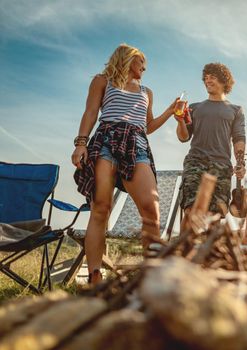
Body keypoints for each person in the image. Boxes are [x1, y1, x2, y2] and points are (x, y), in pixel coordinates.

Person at [71, 44, 178, 285]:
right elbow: (90, 112)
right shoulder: (102, 81)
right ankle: (95, 276)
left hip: (136, 143)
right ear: (129, 59)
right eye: (142, 63)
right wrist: (81, 143)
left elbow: (147, 127)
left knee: (151, 208)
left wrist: (170, 112)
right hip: (106, 139)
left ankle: (150, 276)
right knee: (100, 208)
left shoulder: (147, 91)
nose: (145, 68)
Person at [176, 62, 246, 224]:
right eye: (206, 78)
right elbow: (183, 137)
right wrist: (180, 121)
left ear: (224, 81)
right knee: (191, 211)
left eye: (212, 77)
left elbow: (239, 138)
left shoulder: (236, 110)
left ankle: (209, 250)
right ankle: (186, 249)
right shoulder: (194, 108)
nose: (208, 80)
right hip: (195, 162)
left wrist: (240, 162)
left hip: (221, 166)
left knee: (214, 217)